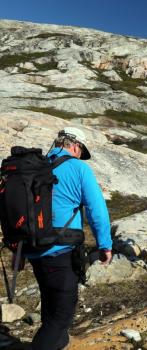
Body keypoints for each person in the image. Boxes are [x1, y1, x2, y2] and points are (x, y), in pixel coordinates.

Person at [23, 127, 113, 350]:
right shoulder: (79, 168)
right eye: (81, 151)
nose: (80, 155)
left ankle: (58, 344)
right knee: (61, 318)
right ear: (75, 146)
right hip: (62, 253)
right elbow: (97, 210)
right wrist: (105, 245)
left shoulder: (36, 166)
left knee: (50, 306)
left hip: (33, 250)